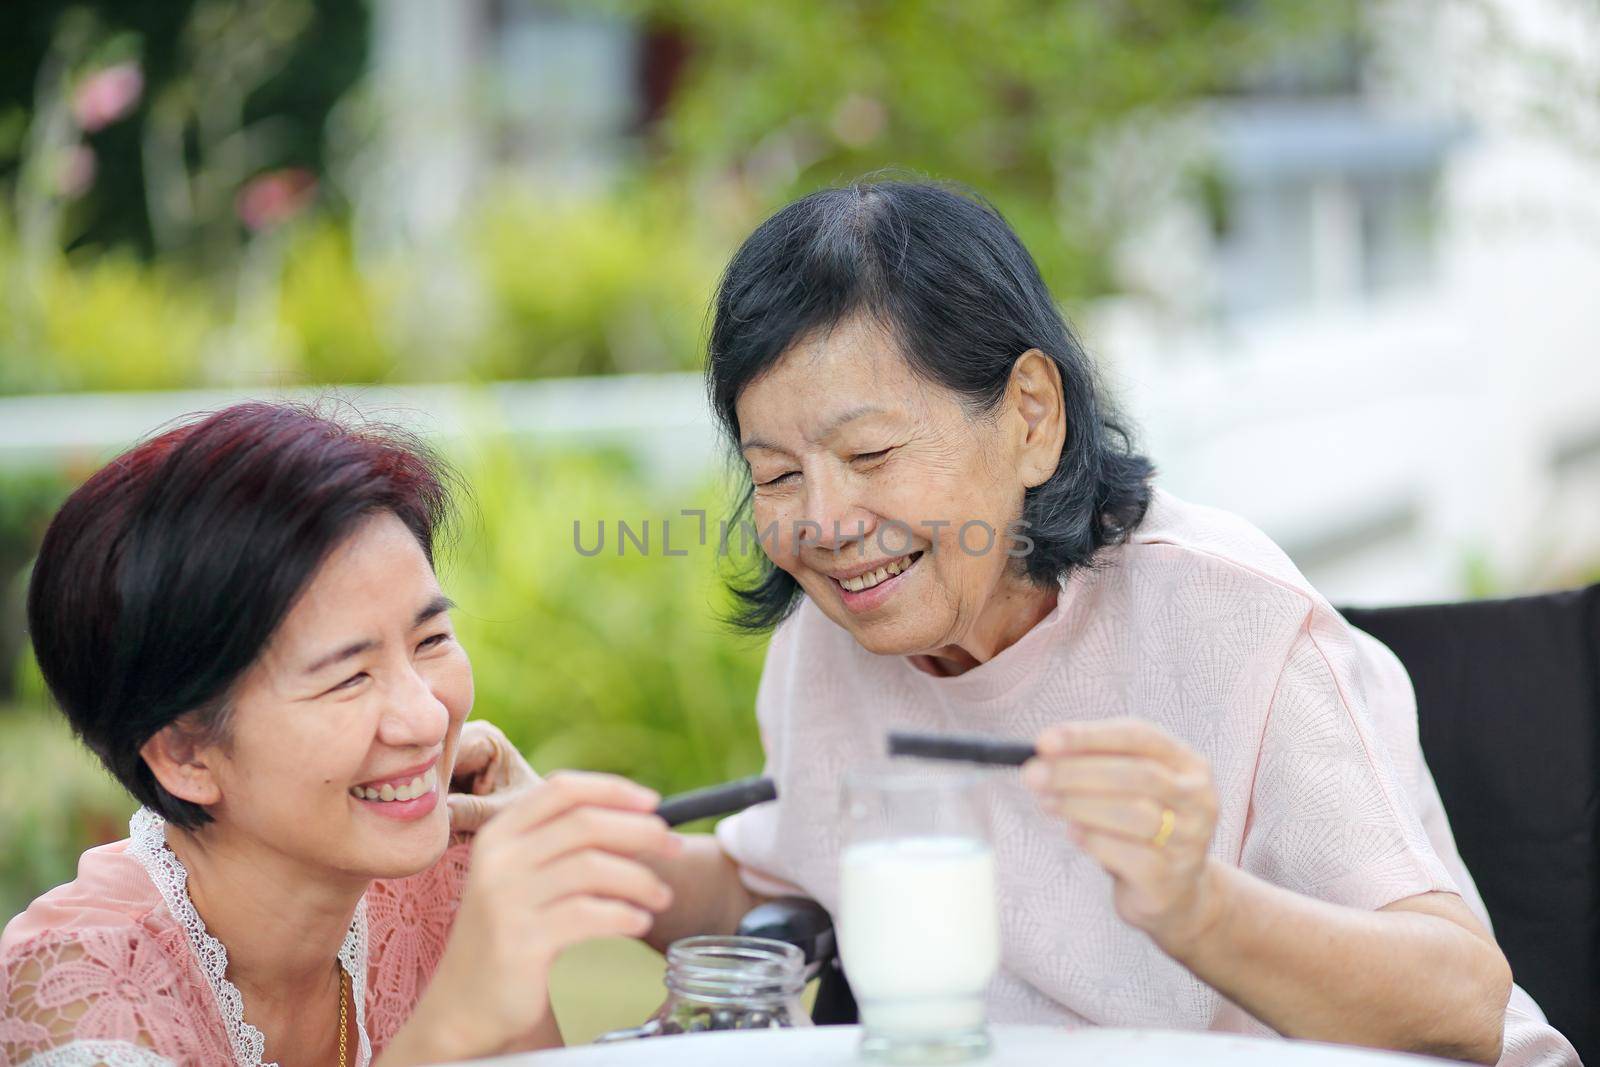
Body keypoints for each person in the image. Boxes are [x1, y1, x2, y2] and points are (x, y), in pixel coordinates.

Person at [642, 180, 1579, 1065]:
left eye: (871, 452)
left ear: (1032, 417)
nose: (825, 522)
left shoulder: (1231, 620)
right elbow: (784, 888)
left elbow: (1462, 1002)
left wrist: (1199, 907)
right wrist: (570, 850)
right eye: (776, 475)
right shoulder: (830, 633)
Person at [1, 403, 678, 1066]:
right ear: (185, 753)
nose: (427, 717)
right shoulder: (79, 1001)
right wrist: (450, 1027)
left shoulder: (434, 873)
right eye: (349, 677)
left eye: (431, 637)